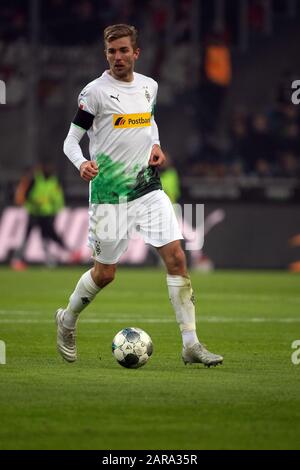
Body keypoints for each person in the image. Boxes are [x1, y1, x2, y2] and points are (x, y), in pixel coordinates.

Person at [57, 24, 223, 367]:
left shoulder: (150, 87)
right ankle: (68, 319)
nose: (117, 57)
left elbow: (148, 122)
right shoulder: (95, 93)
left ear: (136, 53)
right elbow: (71, 140)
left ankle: (190, 343)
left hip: (147, 188)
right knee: (105, 274)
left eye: (122, 50)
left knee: (177, 257)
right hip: (109, 195)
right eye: (111, 51)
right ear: (106, 55)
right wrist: (81, 163)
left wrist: (157, 146)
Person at [11, 163, 74, 269]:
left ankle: (50, 260)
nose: (49, 170)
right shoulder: (35, 179)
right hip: (34, 213)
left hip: (47, 214)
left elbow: (57, 198)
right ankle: (17, 259)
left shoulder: (54, 180)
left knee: (46, 237)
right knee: (27, 236)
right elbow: (25, 195)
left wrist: (55, 210)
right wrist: (34, 202)